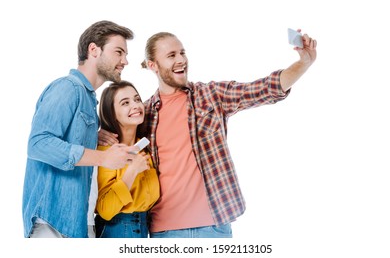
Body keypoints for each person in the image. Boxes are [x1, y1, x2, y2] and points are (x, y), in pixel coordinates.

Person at [99, 29, 317, 238]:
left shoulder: (210, 96)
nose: (181, 59)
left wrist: (303, 63)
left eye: (182, 52)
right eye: (171, 55)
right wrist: (100, 135)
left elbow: (264, 88)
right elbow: (118, 129)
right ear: (152, 65)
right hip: (164, 231)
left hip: (214, 228)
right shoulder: (145, 113)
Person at [22, 20, 138, 238]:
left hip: (78, 224)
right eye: (119, 52)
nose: (125, 61)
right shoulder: (67, 87)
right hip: (54, 225)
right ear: (93, 50)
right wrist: (103, 158)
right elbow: (38, 143)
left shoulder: (87, 99)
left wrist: (92, 137)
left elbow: (65, 141)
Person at [94, 80, 160, 238]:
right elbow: (105, 210)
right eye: (125, 103)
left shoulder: (145, 148)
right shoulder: (105, 152)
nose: (136, 105)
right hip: (115, 229)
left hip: (144, 227)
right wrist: (132, 171)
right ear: (112, 114)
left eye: (137, 99)